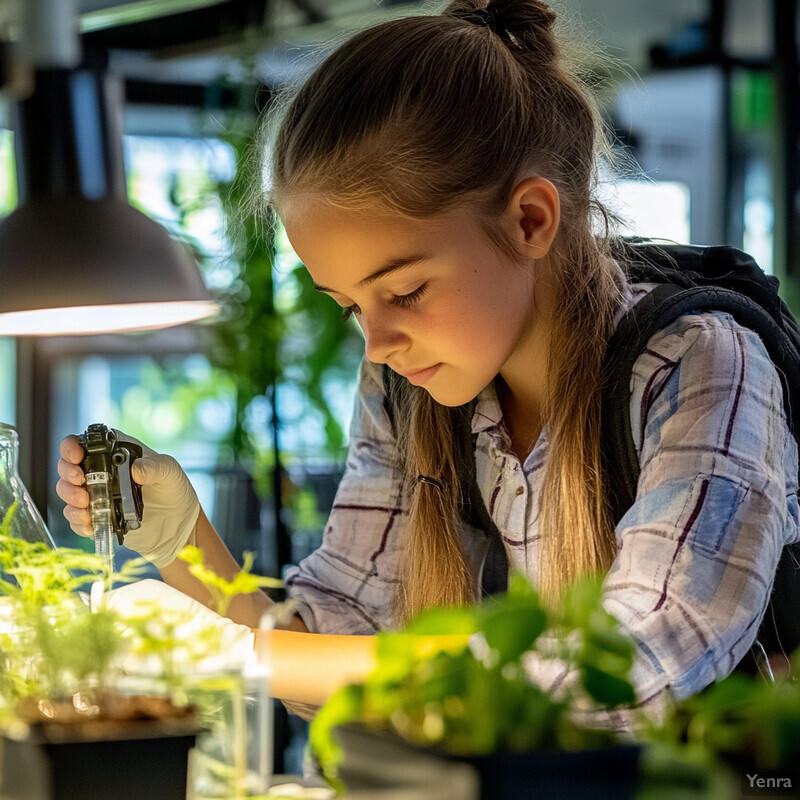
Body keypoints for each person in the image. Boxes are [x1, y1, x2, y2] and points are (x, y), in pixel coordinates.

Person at [57, 0, 798, 728]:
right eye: (350, 306)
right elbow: (333, 655)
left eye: (405, 291)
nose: (375, 344)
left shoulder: (699, 365)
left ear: (531, 219)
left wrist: (247, 656)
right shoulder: (407, 388)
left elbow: (630, 670)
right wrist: (184, 543)